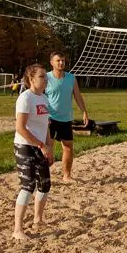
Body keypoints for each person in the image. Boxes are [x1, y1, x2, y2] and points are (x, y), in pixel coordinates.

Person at [13, 64, 54, 241]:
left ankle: (38, 219)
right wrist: (40, 145)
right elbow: (20, 128)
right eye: (42, 76)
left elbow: (45, 126)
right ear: (31, 79)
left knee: (45, 184)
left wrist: (49, 146)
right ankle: (17, 229)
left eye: (46, 77)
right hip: (25, 145)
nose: (46, 80)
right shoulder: (25, 98)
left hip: (40, 146)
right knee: (28, 186)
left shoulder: (44, 98)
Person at [45, 52, 89, 183]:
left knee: (68, 147)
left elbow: (77, 95)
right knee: (47, 148)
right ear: (52, 63)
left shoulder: (71, 78)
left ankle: (66, 176)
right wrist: (42, 116)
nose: (61, 63)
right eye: (58, 60)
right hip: (50, 118)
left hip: (66, 119)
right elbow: (40, 97)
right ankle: (44, 177)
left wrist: (84, 111)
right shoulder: (46, 78)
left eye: (63, 60)